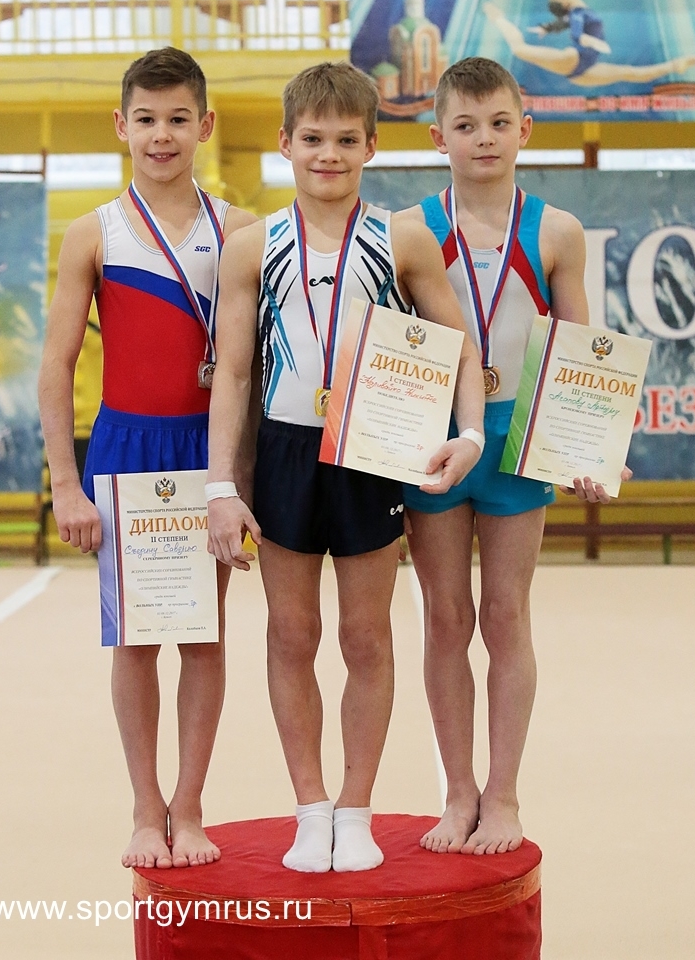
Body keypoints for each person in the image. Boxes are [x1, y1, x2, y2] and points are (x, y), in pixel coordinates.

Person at [205, 61, 485, 874]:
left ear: (370, 146)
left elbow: (458, 346)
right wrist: (222, 485)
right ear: (285, 143)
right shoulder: (252, 246)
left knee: (366, 636)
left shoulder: (401, 238)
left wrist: (469, 433)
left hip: (371, 450)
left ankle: (355, 808)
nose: (328, 154)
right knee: (291, 633)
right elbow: (232, 372)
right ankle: (311, 808)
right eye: (313, 139)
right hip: (286, 451)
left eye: (344, 140)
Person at [400, 56, 625, 857]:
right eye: (465, 125)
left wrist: (591, 445)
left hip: (520, 437)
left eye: (498, 123)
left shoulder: (555, 231)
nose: (484, 138)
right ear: (438, 137)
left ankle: (502, 795)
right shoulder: (410, 230)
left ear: (524, 129)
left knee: (504, 614)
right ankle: (456, 790)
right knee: (445, 618)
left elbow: (576, 350)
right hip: (437, 434)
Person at [38, 47, 255, 870]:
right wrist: (67, 483)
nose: (161, 135)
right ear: (120, 126)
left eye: (177, 119)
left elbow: (256, 360)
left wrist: (242, 475)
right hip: (125, 448)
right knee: (133, 638)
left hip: (209, 448)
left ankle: (190, 807)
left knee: (203, 635)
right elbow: (56, 364)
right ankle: (143, 807)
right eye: (146, 119)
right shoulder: (92, 233)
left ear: (205, 125)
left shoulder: (240, 230)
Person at [484, 0, 695, 87]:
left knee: (630, 73)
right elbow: (575, 27)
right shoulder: (578, 13)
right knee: (519, 49)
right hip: (574, 59)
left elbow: (564, 22)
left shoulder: (578, 12)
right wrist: (582, 38)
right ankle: (498, 18)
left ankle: (675, 65)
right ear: (565, 1)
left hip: (585, 69)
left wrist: (547, 27)